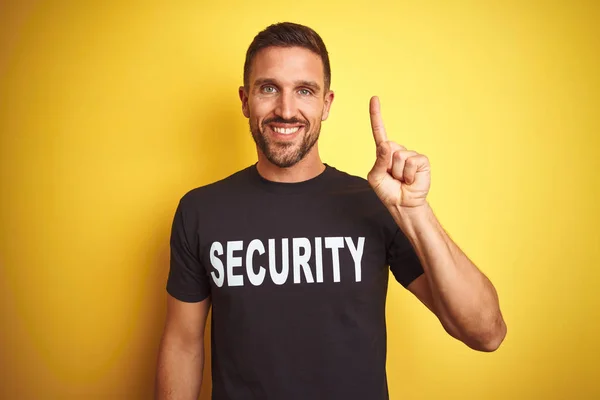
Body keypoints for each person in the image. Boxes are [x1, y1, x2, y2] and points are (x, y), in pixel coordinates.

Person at [155, 22, 507, 400]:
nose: (286, 110)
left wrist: (415, 212)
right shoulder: (201, 211)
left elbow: (486, 333)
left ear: (326, 104)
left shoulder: (375, 204)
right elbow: (183, 345)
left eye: (304, 91)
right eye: (269, 88)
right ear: (245, 100)